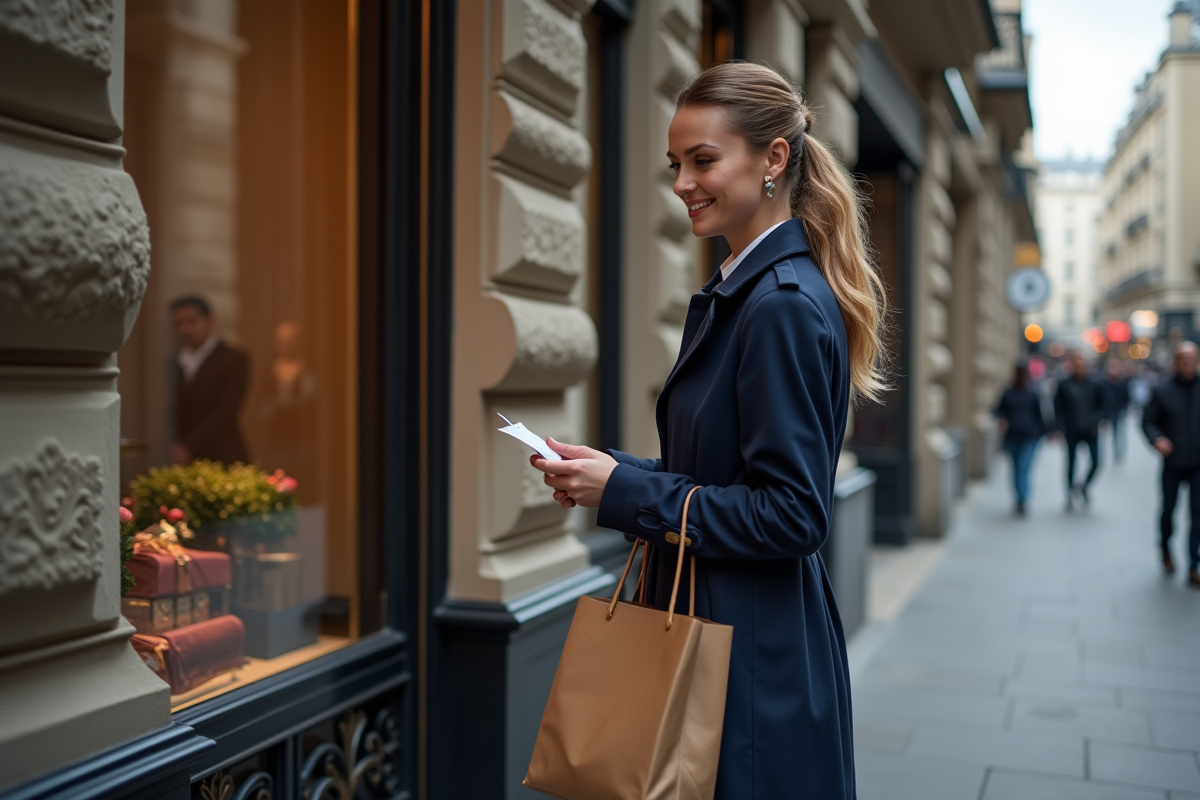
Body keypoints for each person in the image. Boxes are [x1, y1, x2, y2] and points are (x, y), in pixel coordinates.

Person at [529, 62, 885, 799]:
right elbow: (723, 468)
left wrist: (625, 492)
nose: (683, 182)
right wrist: (613, 470)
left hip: (749, 663)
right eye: (676, 164)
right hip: (721, 635)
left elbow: (792, 514)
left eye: (703, 160)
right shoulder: (746, 292)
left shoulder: (779, 304)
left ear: (773, 160)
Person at [1142, 341, 1200, 587]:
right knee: (1169, 510)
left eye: (1192, 360)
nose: (1188, 364)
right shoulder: (1162, 390)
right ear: (1176, 362)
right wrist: (1157, 439)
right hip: (1173, 462)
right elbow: (1148, 421)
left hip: (1198, 463)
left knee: (1197, 514)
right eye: (1184, 360)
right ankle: (1165, 546)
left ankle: (1193, 564)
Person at [170, 295, 251, 465]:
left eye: (191, 322)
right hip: (190, 460)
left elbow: (225, 410)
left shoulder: (234, 359)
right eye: (179, 324)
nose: (185, 330)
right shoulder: (177, 361)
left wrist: (189, 446)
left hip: (223, 456)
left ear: (210, 321)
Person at [1054, 350, 1106, 510]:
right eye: (1077, 365)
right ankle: (1069, 493)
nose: (1080, 368)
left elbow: (1104, 405)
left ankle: (1084, 486)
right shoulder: (1064, 385)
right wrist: (1059, 429)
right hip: (1071, 430)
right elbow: (1058, 408)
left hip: (1091, 430)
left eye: (1083, 365)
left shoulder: (1095, 384)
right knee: (1070, 463)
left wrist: (1096, 421)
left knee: (1097, 461)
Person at [995, 364, 1047, 516]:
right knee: (1017, 468)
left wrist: (1043, 434)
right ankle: (1019, 497)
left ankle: (1023, 500)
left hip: (1030, 437)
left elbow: (1040, 416)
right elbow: (998, 410)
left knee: (1023, 467)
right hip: (1013, 437)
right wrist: (1002, 419)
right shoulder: (1008, 393)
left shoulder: (1032, 393)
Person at [1102, 359, 1131, 463]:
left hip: (1119, 411)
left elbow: (1127, 397)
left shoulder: (1123, 383)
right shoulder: (1104, 383)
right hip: (1107, 412)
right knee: (1105, 433)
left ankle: (1118, 452)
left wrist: (1124, 408)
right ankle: (1105, 454)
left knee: (1119, 432)